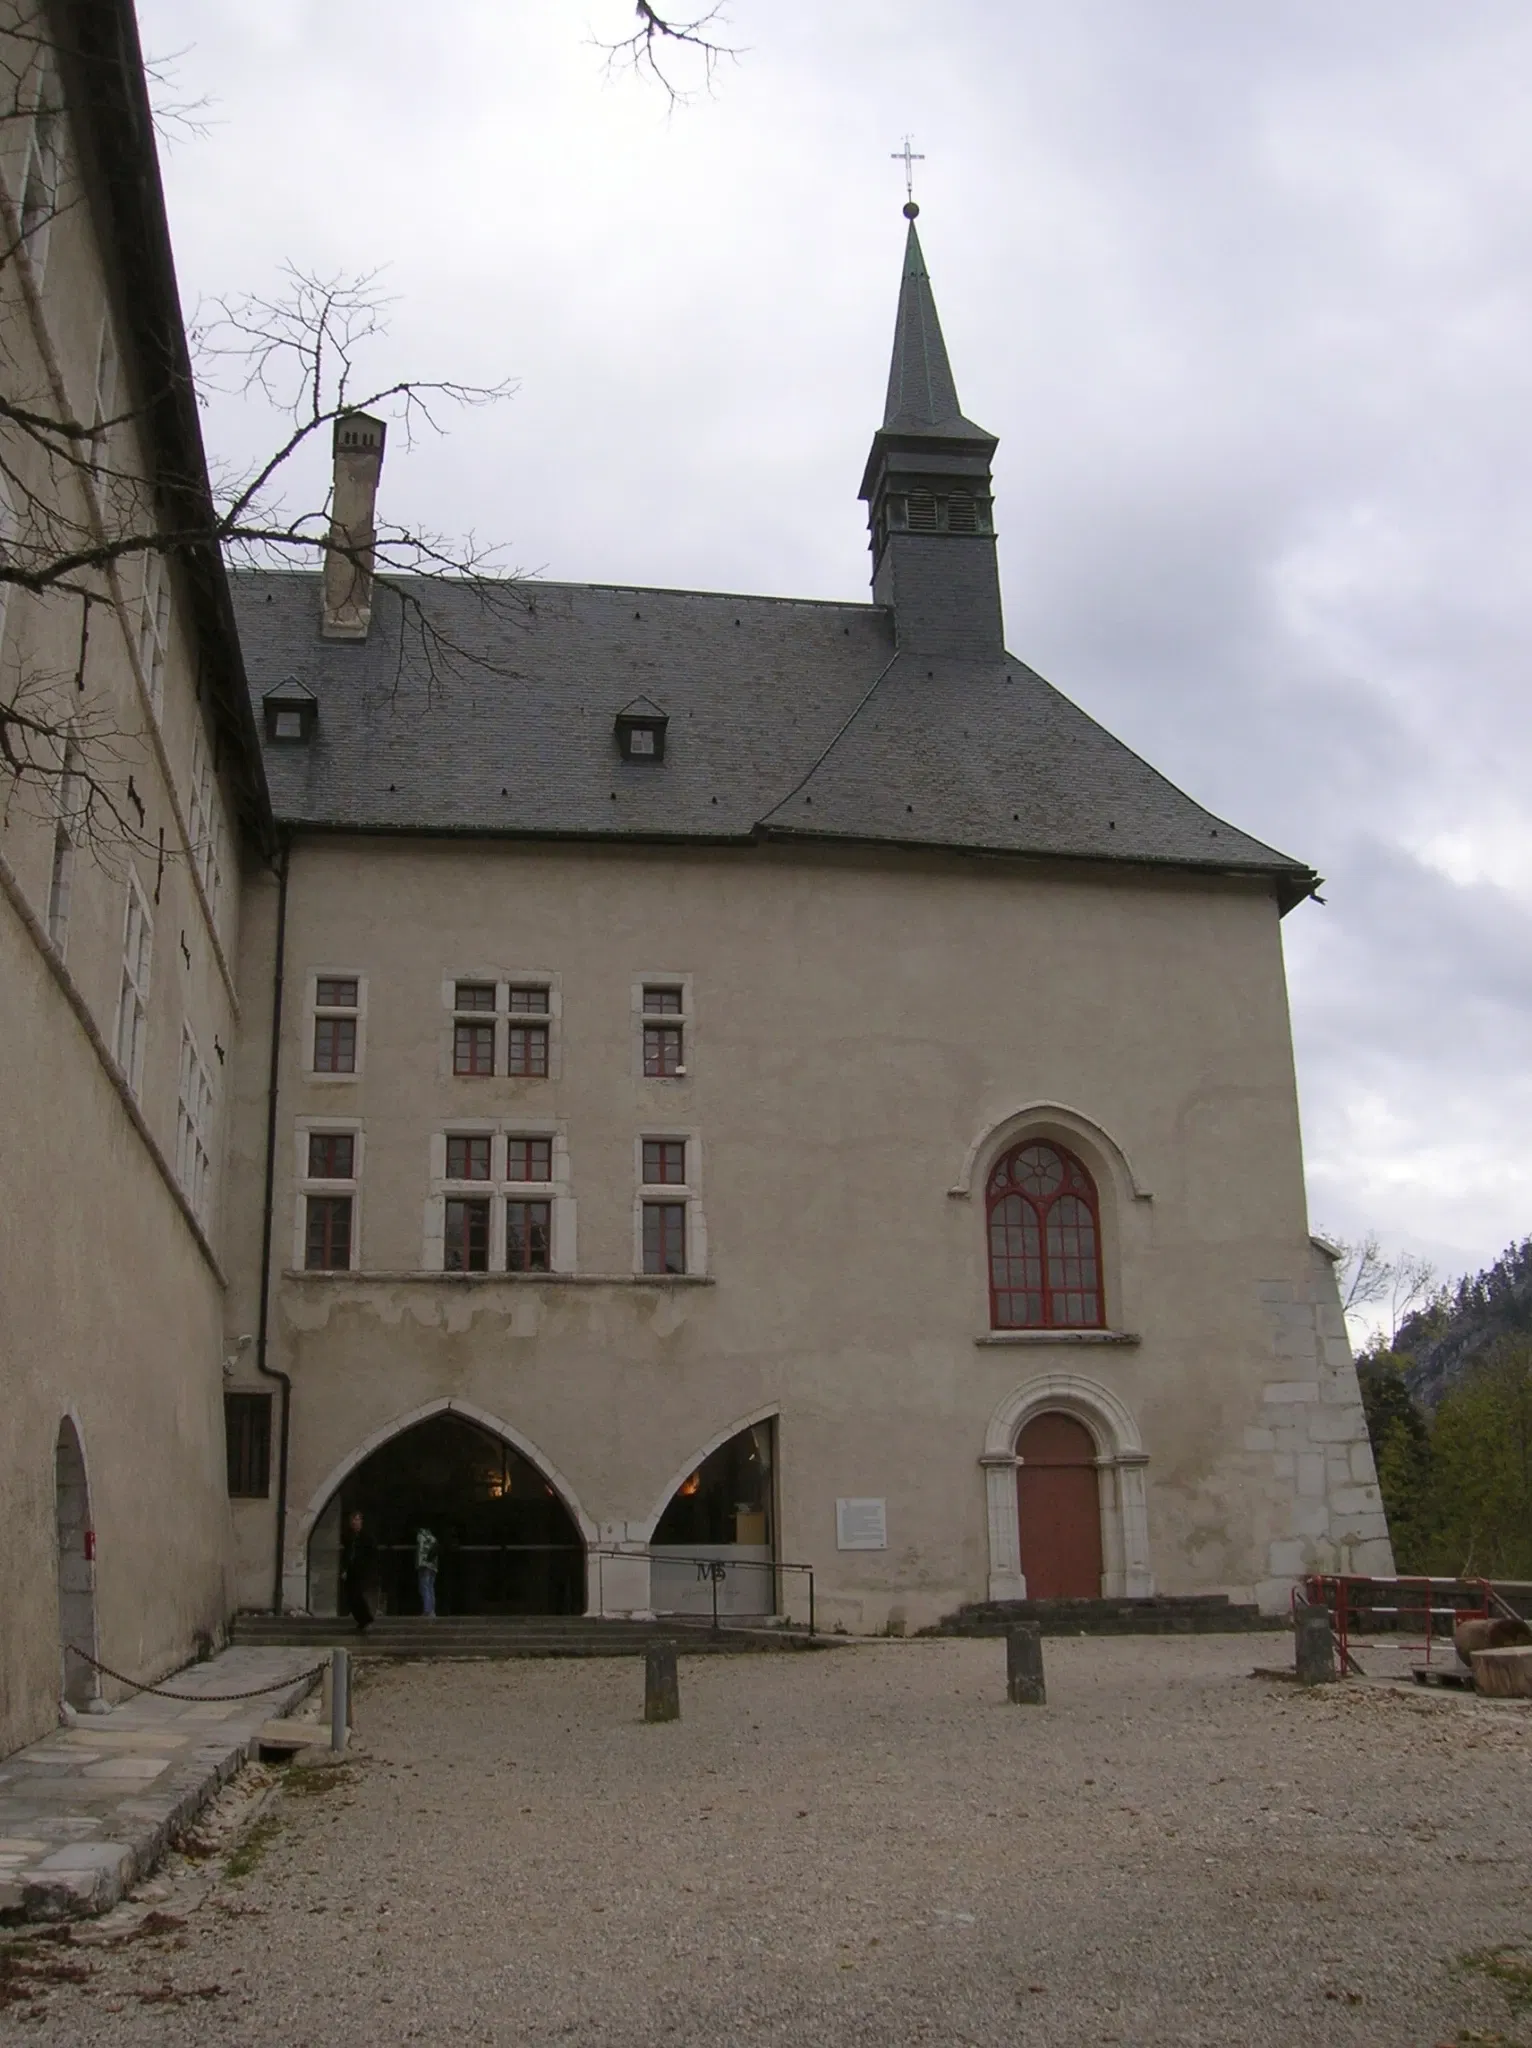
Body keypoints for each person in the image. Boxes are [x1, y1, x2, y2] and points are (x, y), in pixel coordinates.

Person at [341, 1508, 378, 1633]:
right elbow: (347, 1554)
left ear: (361, 1522)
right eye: (353, 1520)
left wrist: (368, 1569)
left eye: (357, 1520)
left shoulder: (367, 1538)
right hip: (351, 1571)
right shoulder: (349, 1537)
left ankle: (367, 1620)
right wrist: (344, 1569)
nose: (355, 1522)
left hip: (362, 1571)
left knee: (358, 1595)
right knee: (351, 1597)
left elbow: (371, 1555)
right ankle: (361, 1621)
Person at [415, 1524, 440, 1618]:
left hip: (424, 1565)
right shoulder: (433, 1538)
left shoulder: (421, 1536)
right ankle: (432, 1610)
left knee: (424, 1587)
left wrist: (419, 1564)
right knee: (430, 1588)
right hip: (433, 1566)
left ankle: (427, 1610)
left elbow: (421, 1551)